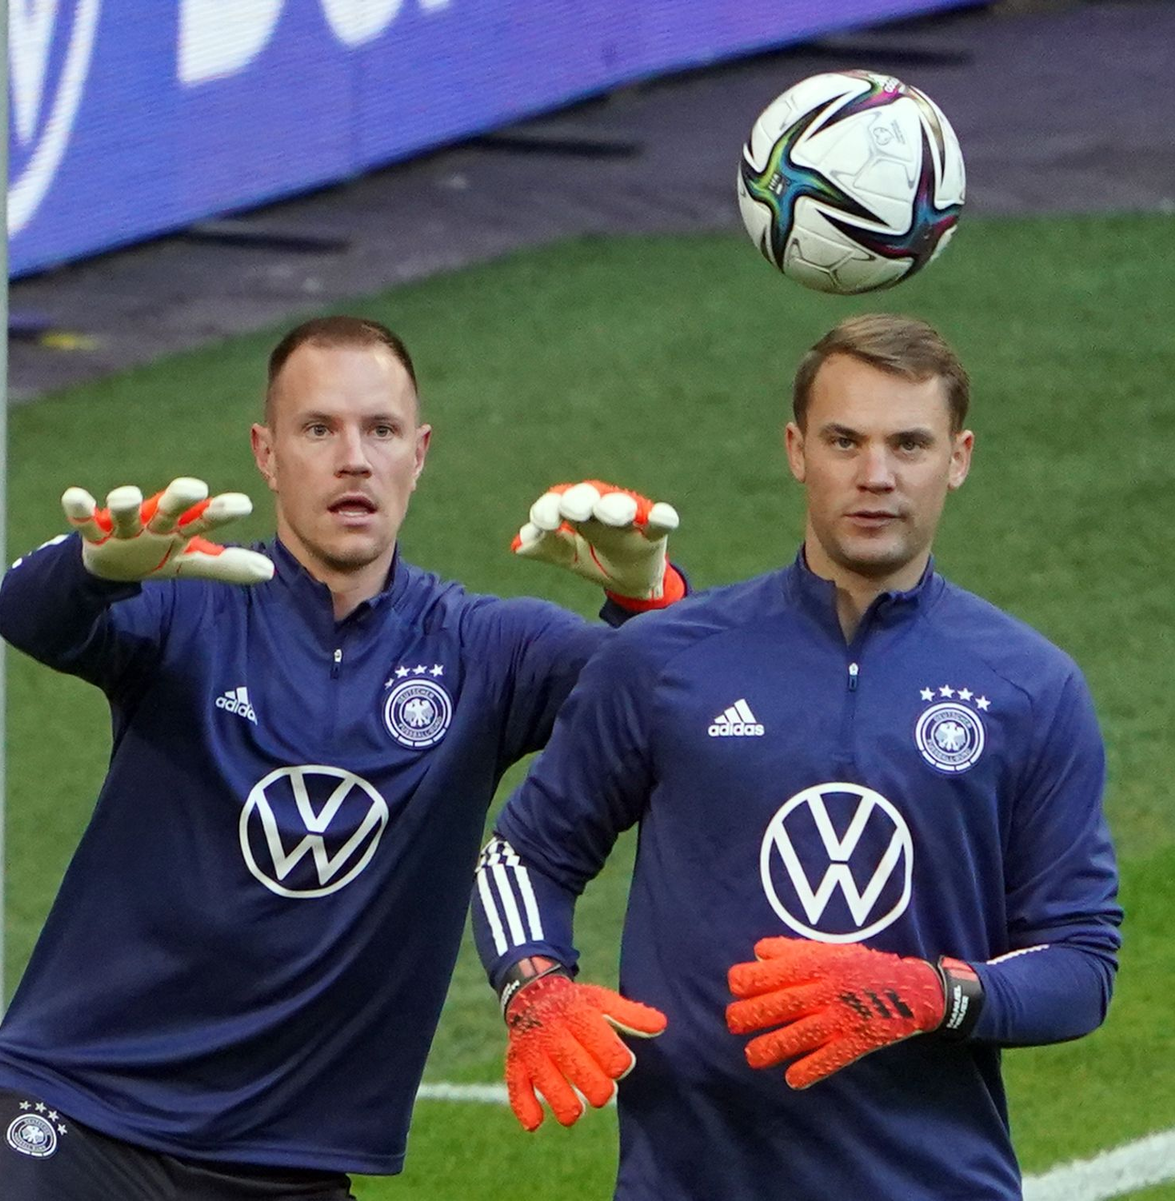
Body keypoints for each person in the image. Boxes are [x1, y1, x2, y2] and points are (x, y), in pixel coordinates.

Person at [0, 315, 685, 1200]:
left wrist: (646, 598)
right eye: (319, 429)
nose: (353, 458)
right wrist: (92, 567)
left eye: (382, 430)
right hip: (78, 1118)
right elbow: (27, 614)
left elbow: (673, 711)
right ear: (267, 451)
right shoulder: (189, 604)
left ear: (420, 453)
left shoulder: (486, 648)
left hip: (291, 1167)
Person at [472, 313, 1122, 1200]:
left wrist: (933, 992)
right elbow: (526, 855)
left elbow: (1080, 962)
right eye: (845, 440)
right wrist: (534, 988)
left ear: (959, 457)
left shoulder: (1029, 688)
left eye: (910, 444)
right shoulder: (665, 658)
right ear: (795, 448)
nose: (876, 475)